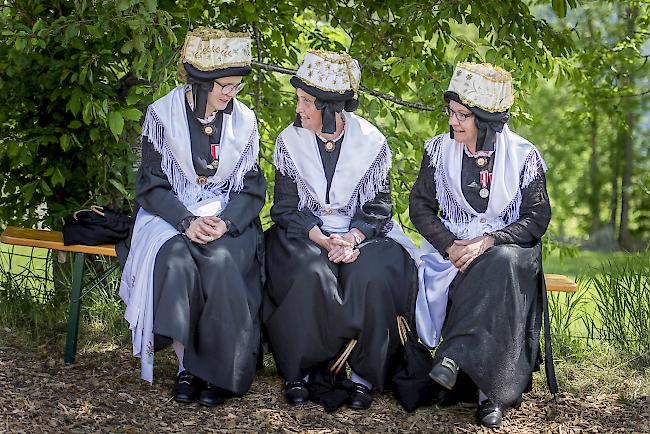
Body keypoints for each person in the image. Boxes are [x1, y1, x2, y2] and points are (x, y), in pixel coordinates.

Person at [263, 50, 418, 411]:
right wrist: (322, 238)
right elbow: (284, 209)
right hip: (306, 233)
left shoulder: (371, 142)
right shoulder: (290, 141)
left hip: (362, 235)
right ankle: (299, 372)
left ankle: (364, 376)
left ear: (330, 108)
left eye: (305, 102)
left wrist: (350, 239)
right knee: (309, 271)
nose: (299, 108)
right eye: (299, 99)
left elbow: (379, 209)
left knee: (372, 275)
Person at [118, 28, 265, 407]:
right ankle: (187, 367)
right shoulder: (161, 116)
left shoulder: (244, 122)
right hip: (172, 214)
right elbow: (151, 185)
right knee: (177, 260)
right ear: (200, 82)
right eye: (224, 86)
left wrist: (226, 222)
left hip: (225, 216)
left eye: (235, 87)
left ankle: (219, 371)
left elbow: (251, 189)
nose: (230, 94)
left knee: (221, 262)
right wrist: (186, 221)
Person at [410, 62, 553, 428]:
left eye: (463, 116)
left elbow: (536, 219)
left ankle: (463, 366)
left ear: (486, 122)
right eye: (452, 113)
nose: (453, 122)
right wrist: (449, 245)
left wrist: (488, 241)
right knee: (477, 266)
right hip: (455, 252)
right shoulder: (439, 151)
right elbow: (420, 206)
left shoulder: (523, 155)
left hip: (510, 251)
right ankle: (476, 383)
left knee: (498, 263)